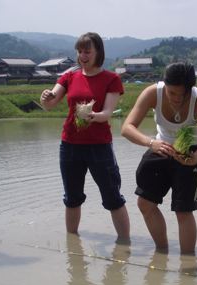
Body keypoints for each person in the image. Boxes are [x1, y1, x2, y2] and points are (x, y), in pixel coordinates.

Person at [40, 32, 130, 241]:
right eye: (80, 51)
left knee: (112, 197)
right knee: (72, 198)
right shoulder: (70, 76)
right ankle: (73, 245)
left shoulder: (111, 79)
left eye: (87, 51)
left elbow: (108, 113)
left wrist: (94, 116)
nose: (83, 55)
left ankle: (125, 244)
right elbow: (50, 104)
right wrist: (45, 97)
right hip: (70, 145)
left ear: (98, 52)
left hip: (99, 146)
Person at [121, 63, 197, 254]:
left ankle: (188, 262)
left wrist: (195, 158)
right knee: (144, 203)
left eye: (183, 94)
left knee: (183, 210)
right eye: (172, 93)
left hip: (190, 152)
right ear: (165, 85)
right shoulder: (153, 93)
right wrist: (151, 143)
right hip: (160, 146)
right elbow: (127, 128)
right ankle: (161, 253)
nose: (177, 99)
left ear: (191, 90)